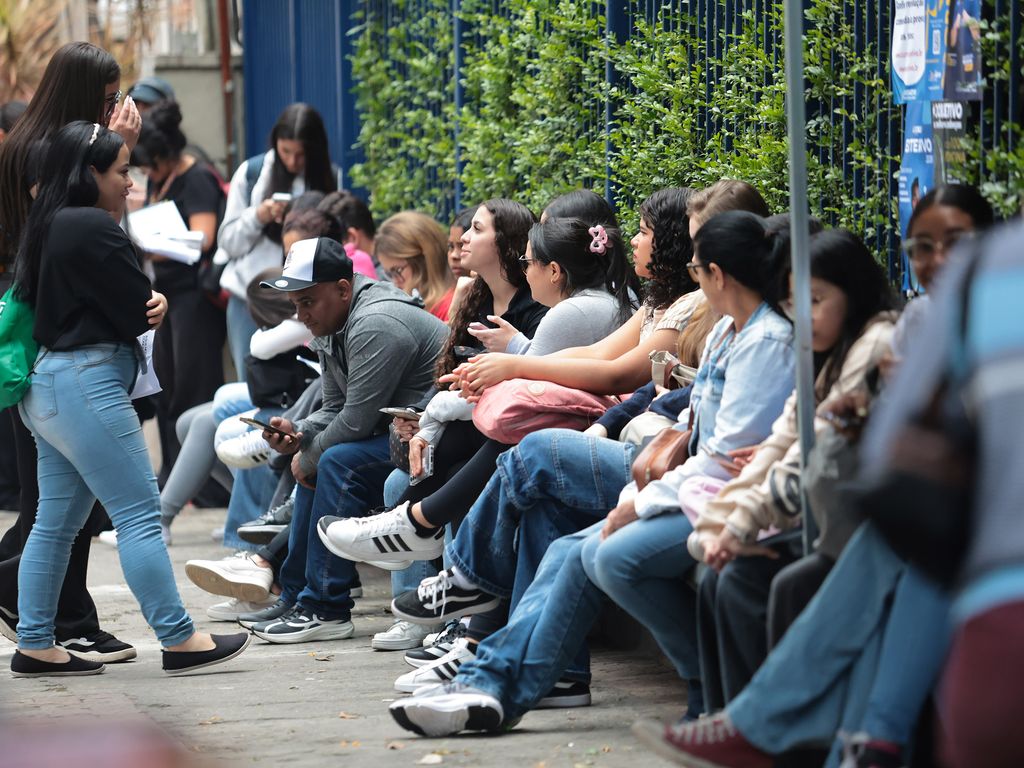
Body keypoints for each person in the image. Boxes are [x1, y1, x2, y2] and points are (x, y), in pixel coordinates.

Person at [387, 207, 797, 734]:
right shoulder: (726, 333)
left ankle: (471, 588)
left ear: (717, 274)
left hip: (717, 500)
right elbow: (689, 423)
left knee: (556, 481)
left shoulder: (764, 341)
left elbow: (721, 459)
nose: (694, 282)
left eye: (698, 269)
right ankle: (492, 681)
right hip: (685, 484)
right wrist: (616, 444)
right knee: (562, 540)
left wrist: (637, 502)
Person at [632, 184, 995, 768]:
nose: (938, 258)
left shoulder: (950, 326)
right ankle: (812, 737)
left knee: (820, 570)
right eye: (922, 246)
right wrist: (729, 523)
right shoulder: (899, 330)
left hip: (955, 518)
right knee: (796, 569)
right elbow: (787, 444)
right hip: (897, 518)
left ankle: (777, 733)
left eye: (958, 240)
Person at [9, 121, 249, 677]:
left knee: (53, 525)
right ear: (90, 173)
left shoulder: (48, 222)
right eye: (121, 171)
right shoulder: (92, 225)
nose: (131, 183)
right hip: (87, 385)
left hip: (50, 388)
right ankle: (180, 638)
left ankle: (36, 642)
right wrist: (155, 301)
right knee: (139, 514)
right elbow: (135, 307)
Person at [187, 235, 450, 643]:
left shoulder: (376, 322)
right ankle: (297, 596)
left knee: (335, 460)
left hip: (439, 441)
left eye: (307, 301)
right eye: (295, 303)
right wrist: (300, 432)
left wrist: (307, 453)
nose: (301, 314)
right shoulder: (334, 316)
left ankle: (325, 608)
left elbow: (356, 421)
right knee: (321, 455)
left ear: (342, 289)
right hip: (399, 437)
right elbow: (334, 408)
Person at [0, 41, 142, 663]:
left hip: (38, 328)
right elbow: (92, 235)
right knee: (62, 500)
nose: (116, 109)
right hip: (53, 335)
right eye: (109, 99)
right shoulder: (54, 152)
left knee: (58, 497)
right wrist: (116, 151)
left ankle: (59, 617)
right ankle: (61, 613)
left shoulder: (32, 144)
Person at [131, 99, 227, 486]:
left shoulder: (197, 178)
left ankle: (204, 484)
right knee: (166, 386)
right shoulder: (160, 180)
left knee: (193, 386)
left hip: (192, 299)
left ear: (165, 156)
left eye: (150, 166)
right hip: (164, 294)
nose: (147, 174)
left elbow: (204, 237)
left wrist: (158, 245)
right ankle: (173, 473)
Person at [218, 103, 341, 379]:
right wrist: (258, 216)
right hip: (251, 300)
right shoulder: (252, 174)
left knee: (310, 382)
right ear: (275, 143)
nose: (293, 161)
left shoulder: (329, 177)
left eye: (301, 154)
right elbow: (227, 242)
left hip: (308, 301)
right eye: (285, 151)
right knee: (253, 381)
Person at [374, 211, 456, 320]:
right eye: (389, 274)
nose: (395, 282)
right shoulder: (428, 305)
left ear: (423, 261)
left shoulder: (449, 308)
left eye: (397, 270)